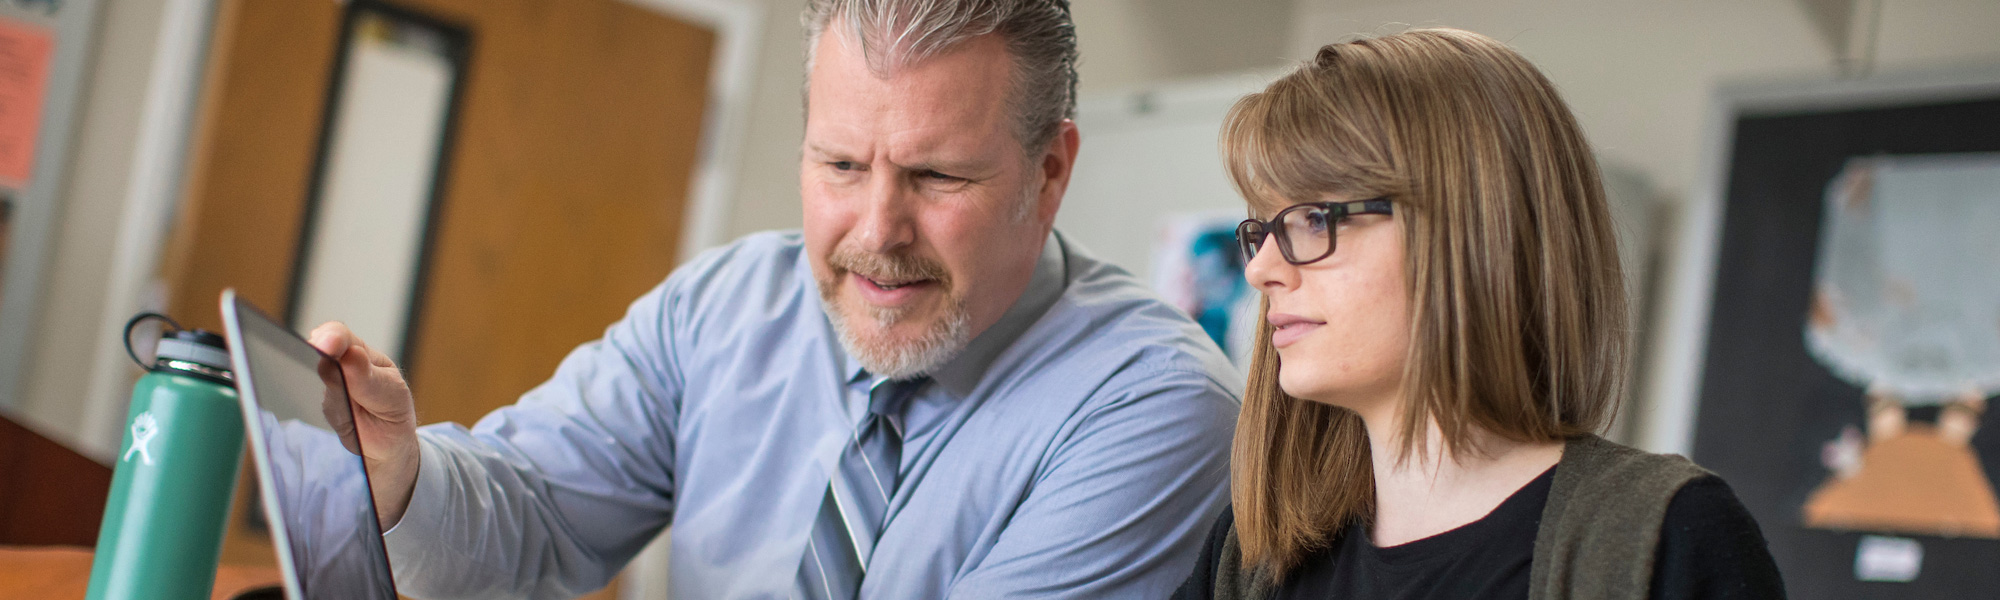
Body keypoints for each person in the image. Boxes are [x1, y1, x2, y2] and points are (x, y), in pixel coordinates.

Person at [306, 1, 1242, 598]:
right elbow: (535, 508)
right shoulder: (726, 305)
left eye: (937, 176)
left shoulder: (1154, 406)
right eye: (840, 164)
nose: (876, 231)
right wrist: (400, 477)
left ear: (1049, 172)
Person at [1174, 29, 1786, 600]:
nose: (1260, 270)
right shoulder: (1251, 557)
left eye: (1313, 219)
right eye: (1262, 229)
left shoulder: (1670, 538)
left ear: (1474, 230)